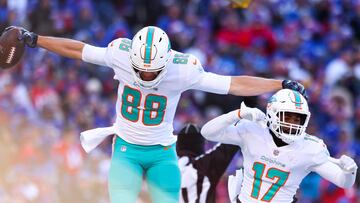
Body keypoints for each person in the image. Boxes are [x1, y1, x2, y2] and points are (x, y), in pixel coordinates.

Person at [10, 25, 307, 203]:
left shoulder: (183, 69)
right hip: (125, 148)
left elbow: (233, 85)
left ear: (166, 62)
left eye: (153, 72)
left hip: (163, 151)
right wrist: (35, 39)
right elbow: (78, 50)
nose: (146, 76)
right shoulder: (120, 54)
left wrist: (277, 84)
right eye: (140, 69)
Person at [201, 89, 358, 203]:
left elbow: (343, 181)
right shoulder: (253, 131)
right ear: (273, 113)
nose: (292, 123)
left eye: (297, 119)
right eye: (287, 117)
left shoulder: (310, 148)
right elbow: (207, 132)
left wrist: (350, 171)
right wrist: (237, 114)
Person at [177, 123, 240, 203]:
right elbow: (231, 142)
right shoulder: (204, 165)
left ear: (178, 145)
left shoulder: (166, 167)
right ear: (200, 145)